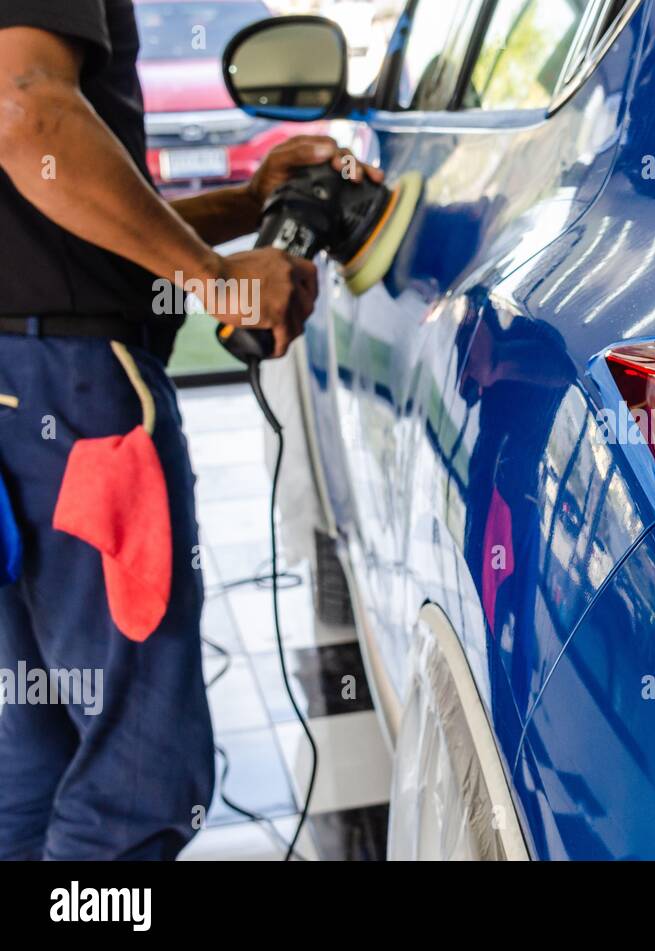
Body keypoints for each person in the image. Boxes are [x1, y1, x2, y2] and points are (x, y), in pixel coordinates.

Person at [0, 0, 380, 859]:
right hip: (72, 404)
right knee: (137, 781)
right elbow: (25, 113)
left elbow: (55, 214)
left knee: (32, 756)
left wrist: (247, 205)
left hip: (20, 392)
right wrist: (215, 280)